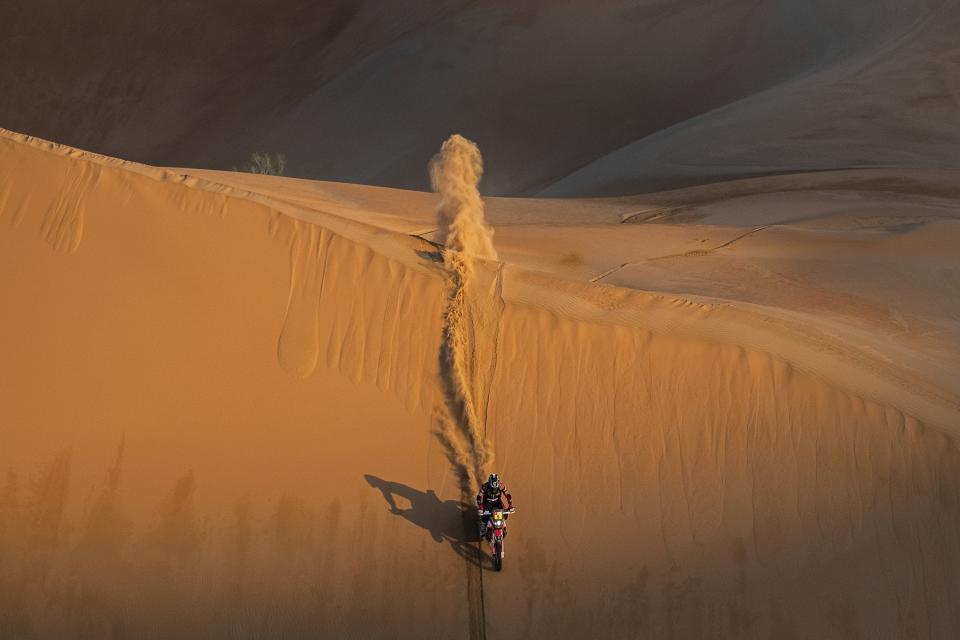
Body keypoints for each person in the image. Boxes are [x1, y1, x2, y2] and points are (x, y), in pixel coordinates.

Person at [477, 473, 513, 539]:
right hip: (487, 503)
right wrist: (481, 507)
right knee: (485, 517)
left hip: (497, 503)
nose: (494, 490)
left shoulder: (501, 486)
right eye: (492, 488)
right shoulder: (484, 486)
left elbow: (507, 495)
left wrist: (510, 505)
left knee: (505, 514)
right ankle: (482, 528)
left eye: (495, 488)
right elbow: (479, 497)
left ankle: (503, 526)